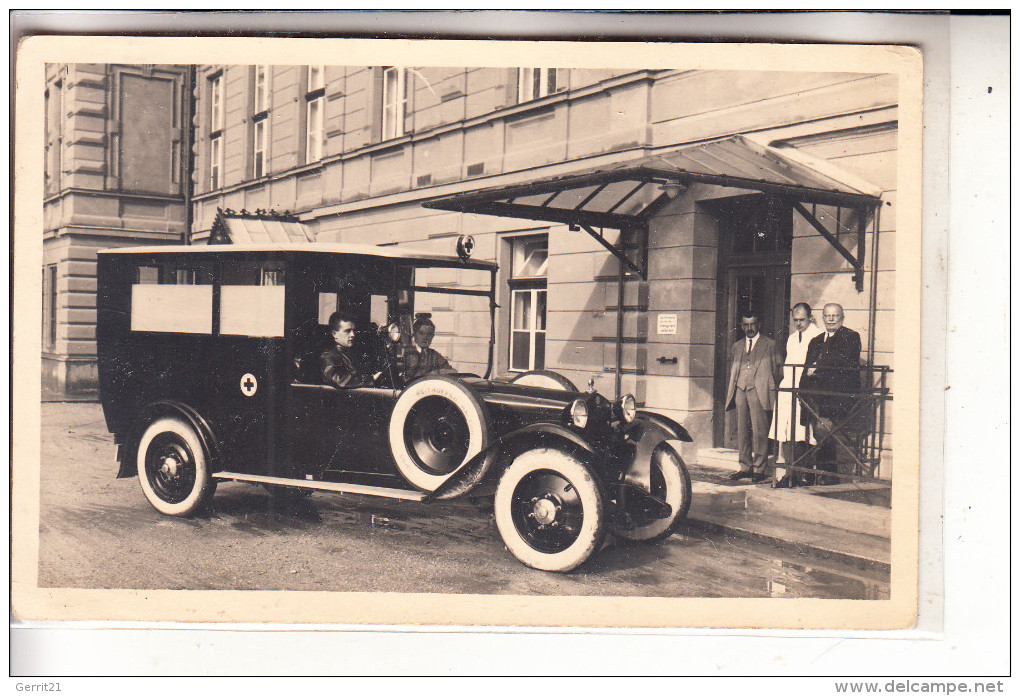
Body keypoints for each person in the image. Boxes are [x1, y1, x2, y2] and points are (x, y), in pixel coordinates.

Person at [801, 303, 863, 484]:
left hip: (837, 398)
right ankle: (818, 473)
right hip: (814, 397)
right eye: (827, 316)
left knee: (823, 430)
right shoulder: (816, 340)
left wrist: (817, 366)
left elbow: (840, 359)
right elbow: (806, 369)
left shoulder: (850, 337)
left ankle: (828, 475)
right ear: (822, 318)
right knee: (815, 431)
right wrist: (802, 393)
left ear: (842, 318)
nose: (831, 319)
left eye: (835, 316)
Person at [724, 311, 781, 483]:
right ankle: (745, 467)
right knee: (742, 430)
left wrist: (768, 387)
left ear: (759, 325)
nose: (749, 328)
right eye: (746, 325)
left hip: (760, 390)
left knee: (759, 430)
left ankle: (759, 468)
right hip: (740, 389)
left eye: (753, 324)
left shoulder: (770, 345)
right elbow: (734, 369)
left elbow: (778, 370)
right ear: (742, 326)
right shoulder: (737, 346)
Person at [772, 303, 824, 488]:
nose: (798, 323)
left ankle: (799, 473)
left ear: (810, 317)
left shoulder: (818, 336)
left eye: (802, 320)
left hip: (804, 390)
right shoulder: (792, 338)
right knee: (785, 431)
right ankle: (789, 472)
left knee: (802, 432)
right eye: (795, 320)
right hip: (788, 388)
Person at [320, 311, 375, 389]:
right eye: (347, 331)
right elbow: (341, 381)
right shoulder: (327, 356)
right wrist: (371, 379)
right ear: (334, 334)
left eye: (353, 330)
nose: (353, 335)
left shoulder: (354, 354)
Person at [402, 316, 456, 382]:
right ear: (414, 335)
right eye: (421, 333)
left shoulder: (434, 355)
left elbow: (452, 372)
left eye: (429, 334)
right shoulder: (405, 353)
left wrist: (435, 373)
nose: (425, 337)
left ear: (433, 336)